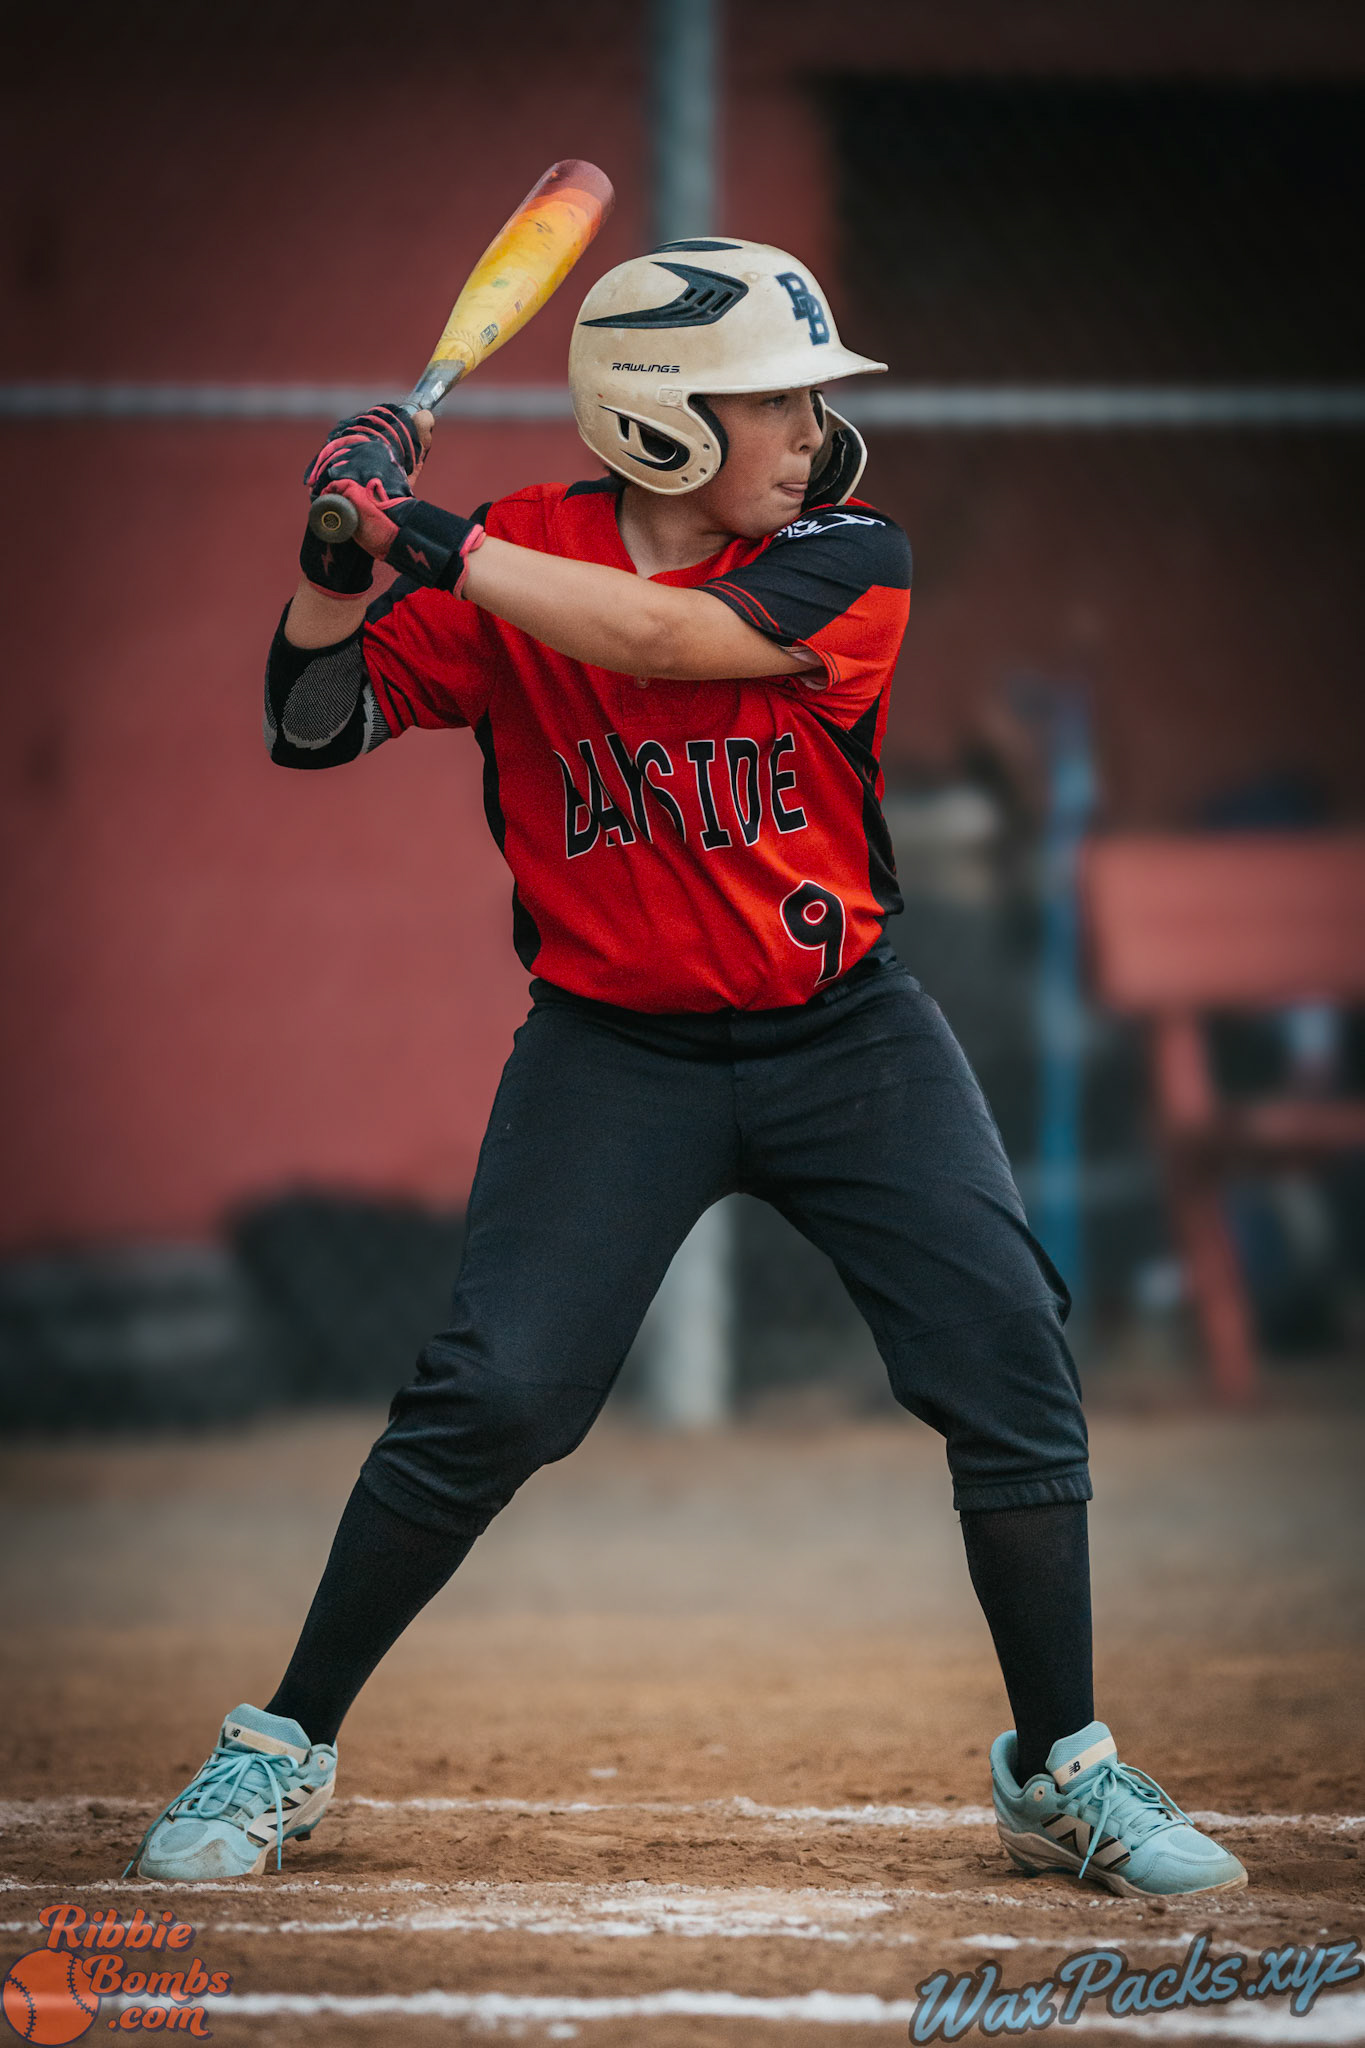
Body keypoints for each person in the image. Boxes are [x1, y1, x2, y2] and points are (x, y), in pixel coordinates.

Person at [127, 240, 1245, 1899]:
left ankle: (1060, 1766)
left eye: (808, 400)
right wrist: (335, 553)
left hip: (847, 1035)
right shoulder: (519, 558)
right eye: (771, 403)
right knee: (496, 1391)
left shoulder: (846, 553)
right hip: (612, 1053)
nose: (809, 431)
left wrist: (426, 532)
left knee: (1005, 1348)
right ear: (655, 426)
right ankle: (279, 1742)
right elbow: (310, 718)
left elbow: (658, 643)